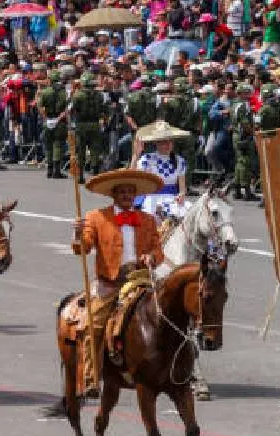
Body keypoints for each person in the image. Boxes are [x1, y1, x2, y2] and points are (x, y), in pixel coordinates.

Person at [71, 169, 166, 395]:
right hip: (110, 282)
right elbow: (83, 248)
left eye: (130, 192)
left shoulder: (148, 220)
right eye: (122, 192)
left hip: (141, 279)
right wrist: (76, 234)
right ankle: (91, 377)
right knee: (92, 324)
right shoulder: (97, 217)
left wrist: (152, 257)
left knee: (169, 315)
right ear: (113, 195)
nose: (126, 196)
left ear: (135, 195)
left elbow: (158, 250)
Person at [130, 120, 190, 218]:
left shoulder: (179, 160)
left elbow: (182, 188)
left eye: (170, 141)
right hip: (152, 199)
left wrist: (182, 194)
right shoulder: (147, 159)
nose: (168, 144)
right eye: (164, 142)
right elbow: (131, 176)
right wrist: (135, 155)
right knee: (150, 216)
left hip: (173, 200)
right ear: (157, 143)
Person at [36, 69, 69, 179]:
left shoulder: (45, 92)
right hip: (59, 121)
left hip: (48, 119)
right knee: (58, 145)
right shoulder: (63, 92)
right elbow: (67, 108)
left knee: (48, 146)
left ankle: (49, 170)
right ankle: (56, 171)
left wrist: (45, 119)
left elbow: (40, 107)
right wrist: (59, 119)